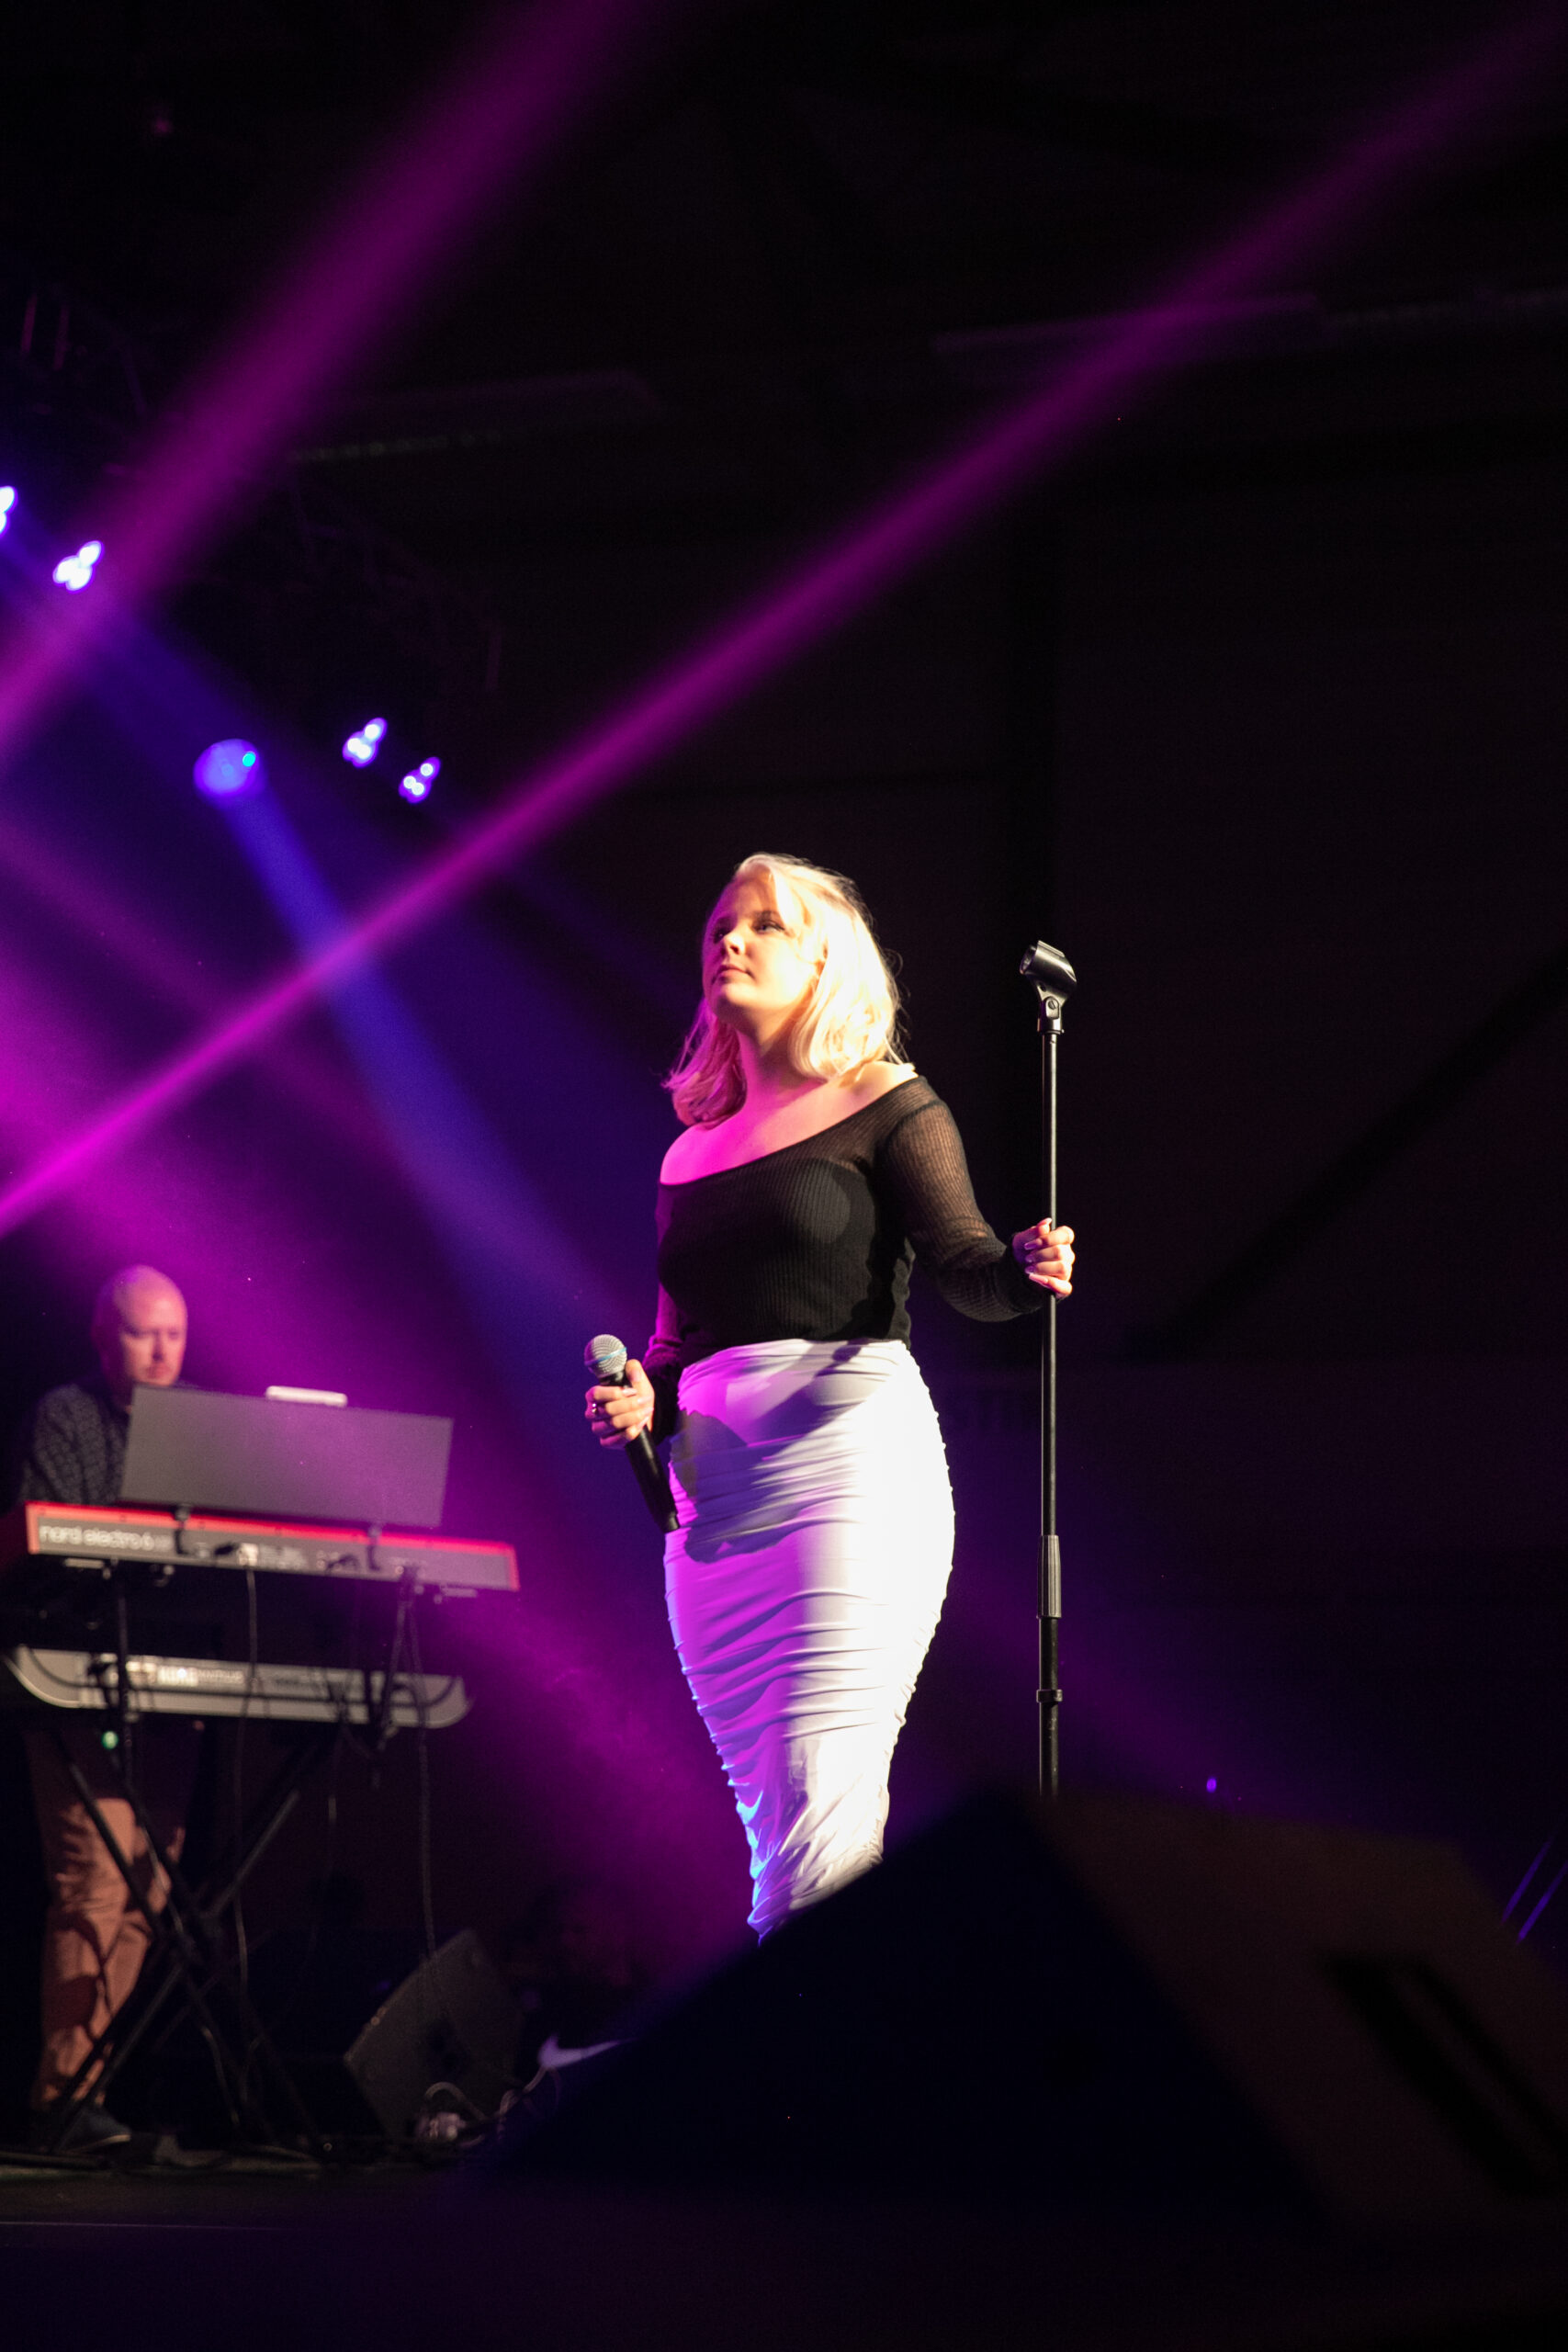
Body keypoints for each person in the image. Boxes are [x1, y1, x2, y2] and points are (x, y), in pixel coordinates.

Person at [586, 855, 1074, 1938]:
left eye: (766, 923)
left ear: (823, 960)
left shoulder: (886, 1102)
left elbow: (970, 1271)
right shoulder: (687, 1154)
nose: (731, 939)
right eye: (722, 923)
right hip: (713, 1507)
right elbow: (673, 1343)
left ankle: (808, 2036)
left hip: (846, 1475)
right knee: (781, 1824)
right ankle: (848, 2024)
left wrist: (1026, 1263)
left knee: (820, 1811)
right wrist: (640, 1398)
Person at [8, 1264, 197, 2150]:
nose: (160, 1351)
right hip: (76, 1674)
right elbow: (50, 1538)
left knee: (148, 1887)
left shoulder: (201, 1429)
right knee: (95, 1876)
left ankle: (89, 2091)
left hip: (171, 1679)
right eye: (141, 1332)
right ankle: (61, 2095)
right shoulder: (67, 1416)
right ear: (102, 1336)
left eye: (174, 1334)